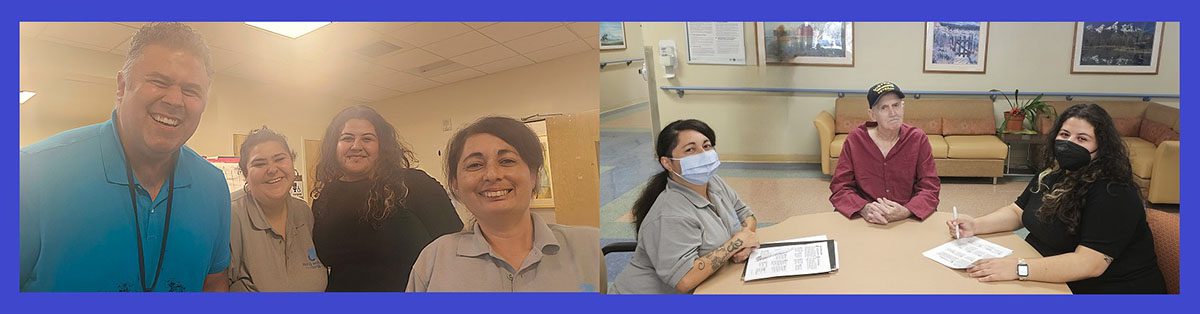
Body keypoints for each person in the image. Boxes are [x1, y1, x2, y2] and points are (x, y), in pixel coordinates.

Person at [19, 22, 230, 292]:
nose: (175, 101)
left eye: (191, 91)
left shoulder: (213, 185)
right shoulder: (32, 172)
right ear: (121, 87)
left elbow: (213, 283)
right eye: (159, 81)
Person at [948, 104, 1166, 294]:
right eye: (1064, 135)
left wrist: (1017, 268)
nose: (1068, 143)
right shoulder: (1054, 173)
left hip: (1108, 291)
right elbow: (1017, 212)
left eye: (1082, 139)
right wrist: (976, 225)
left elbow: (1089, 264)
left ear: (1102, 149)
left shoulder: (1114, 191)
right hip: (1053, 277)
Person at [407, 117, 600, 292]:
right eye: (475, 165)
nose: (492, 175)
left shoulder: (588, 245)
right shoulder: (434, 259)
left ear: (533, 175)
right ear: (455, 184)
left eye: (507, 161)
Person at [310, 105, 463, 291]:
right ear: (334, 146)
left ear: (382, 146)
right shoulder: (326, 196)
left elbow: (457, 250)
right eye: (347, 138)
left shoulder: (414, 185)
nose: (356, 146)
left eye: (367, 139)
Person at [611, 119, 759, 294]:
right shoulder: (670, 214)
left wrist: (744, 239)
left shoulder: (713, 183)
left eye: (707, 146)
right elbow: (685, 280)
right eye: (690, 150)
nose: (703, 154)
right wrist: (736, 243)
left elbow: (746, 214)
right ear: (667, 162)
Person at [226, 127, 327, 291]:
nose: (272, 169)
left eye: (280, 159)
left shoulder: (303, 211)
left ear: (292, 163)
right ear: (245, 174)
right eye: (259, 163)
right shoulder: (230, 216)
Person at [829, 82, 940, 224]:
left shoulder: (917, 139)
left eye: (896, 105)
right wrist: (864, 208)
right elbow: (840, 187)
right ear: (872, 115)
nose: (893, 113)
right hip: (865, 217)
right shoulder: (855, 140)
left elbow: (930, 187)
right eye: (884, 108)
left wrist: (906, 211)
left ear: (903, 107)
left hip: (908, 217)